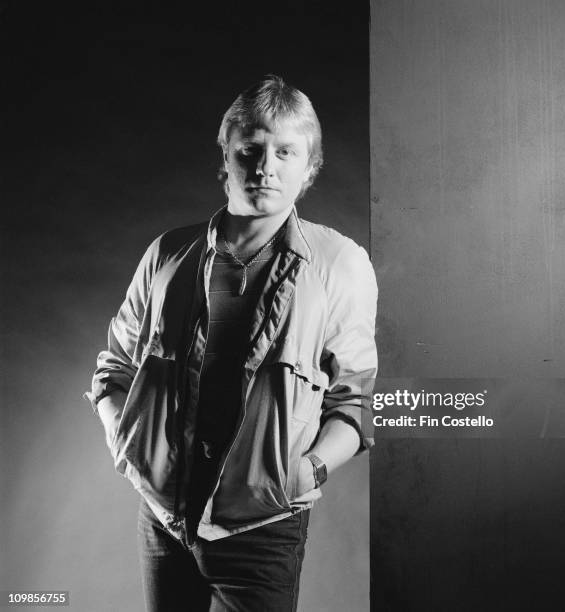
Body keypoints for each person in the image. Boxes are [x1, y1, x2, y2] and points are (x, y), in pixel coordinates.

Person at [85, 75, 378, 612]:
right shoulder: (169, 254)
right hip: (164, 518)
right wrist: (123, 441)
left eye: (285, 151)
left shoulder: (340, 264)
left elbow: (353, 400)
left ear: (308, 166)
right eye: (251, 148)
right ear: (227, 156)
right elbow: (114, 367)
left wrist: (305, 472)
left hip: (263, 526)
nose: (266, 166)